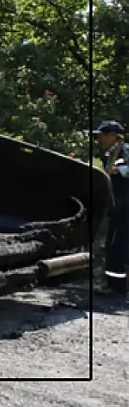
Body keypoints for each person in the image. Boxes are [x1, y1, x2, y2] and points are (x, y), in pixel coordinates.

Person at [94, 120, 128, 295]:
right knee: (116, 246)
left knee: (117, 248)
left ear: (114, 136)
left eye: (102, 135)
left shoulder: (124, 150)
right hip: (118, 210)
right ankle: (115, 285)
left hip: (125, 211)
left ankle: (118, 288)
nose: (99, 138)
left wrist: (120, 170)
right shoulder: (110, 154)